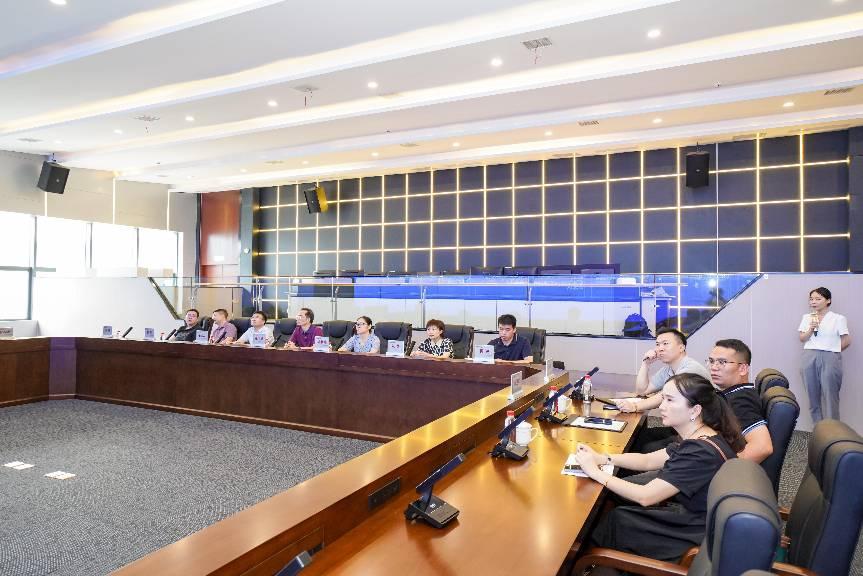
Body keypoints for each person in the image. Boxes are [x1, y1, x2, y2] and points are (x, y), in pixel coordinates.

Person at [574, 373, 744, 562]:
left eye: (670, 400)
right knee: (618, 517)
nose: (662, 406)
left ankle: (585, 564)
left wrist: (595, 472)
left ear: (695, 410)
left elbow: (646, 496)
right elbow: (647, 460)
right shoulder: (700, 437)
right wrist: (602, 458)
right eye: (663, 399)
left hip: (696, 536)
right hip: (695, 518)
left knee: (617, 521)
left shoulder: (699, 452)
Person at [707, 339, 772, 462]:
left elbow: (762, 447)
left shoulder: (740, 400)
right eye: (711, 361)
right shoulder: (733, 393)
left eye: (722, 362)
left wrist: (722, 469)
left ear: (742, 369)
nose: (714, 367)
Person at [798, 287, 851, 422]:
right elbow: (802, 338)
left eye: (818, 299)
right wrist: (811, 329)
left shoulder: (838, 318)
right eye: (811, 299)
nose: (813, 302)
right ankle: (817, 428)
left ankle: (833, 429)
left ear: (828, 300)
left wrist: (832, 351)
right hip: (809, 356)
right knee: (812, 395)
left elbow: (847, 340)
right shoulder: (807, 317)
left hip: (830, 357)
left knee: (831, 395)